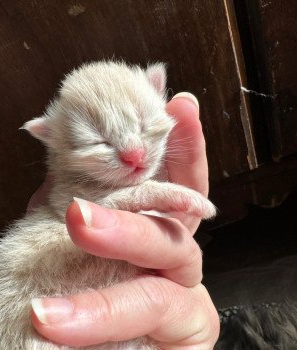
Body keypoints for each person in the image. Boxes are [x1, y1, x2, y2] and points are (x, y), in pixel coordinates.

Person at [28, 93, 220, 349]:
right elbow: (77, 213)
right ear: (50, 137)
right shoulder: (64, 204)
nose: (134, 153)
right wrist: (144, 194)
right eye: (96, 141)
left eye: (143, 126)